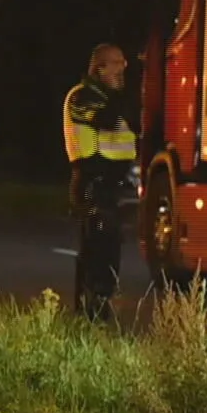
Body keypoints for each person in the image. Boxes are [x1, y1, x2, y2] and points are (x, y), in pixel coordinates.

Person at [63, 44, 138, 322]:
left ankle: (96, 312)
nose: (123, 68)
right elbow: (105, 119)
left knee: (107, 250)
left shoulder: (108, 97)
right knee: (96, 251)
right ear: (100, 68)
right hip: (91, 183)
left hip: (108, 186)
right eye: (116, 63)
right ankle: (88, 315)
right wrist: (120, 96)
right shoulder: (81, 97)